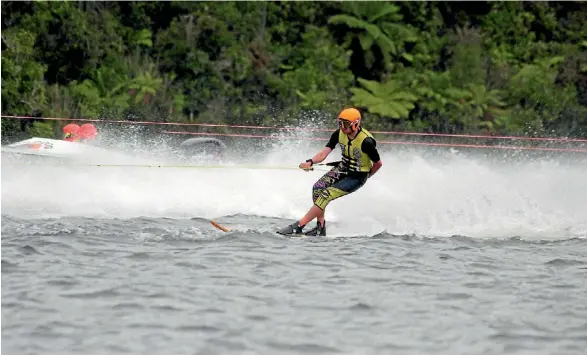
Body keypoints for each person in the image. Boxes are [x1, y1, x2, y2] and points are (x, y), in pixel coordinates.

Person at [277, 107, 383, 236]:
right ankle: (320, 227)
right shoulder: (338, 133)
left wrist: (366, 177)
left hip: (357, 176)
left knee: (326, 194)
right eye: (340, 123)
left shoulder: (366, 142)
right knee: (317, 188)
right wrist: (310, 162)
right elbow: (324, 153)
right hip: (342, 168)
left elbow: (378, 164)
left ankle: (299, 226)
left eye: (346, 124)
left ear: (355, 124)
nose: (342, 127)